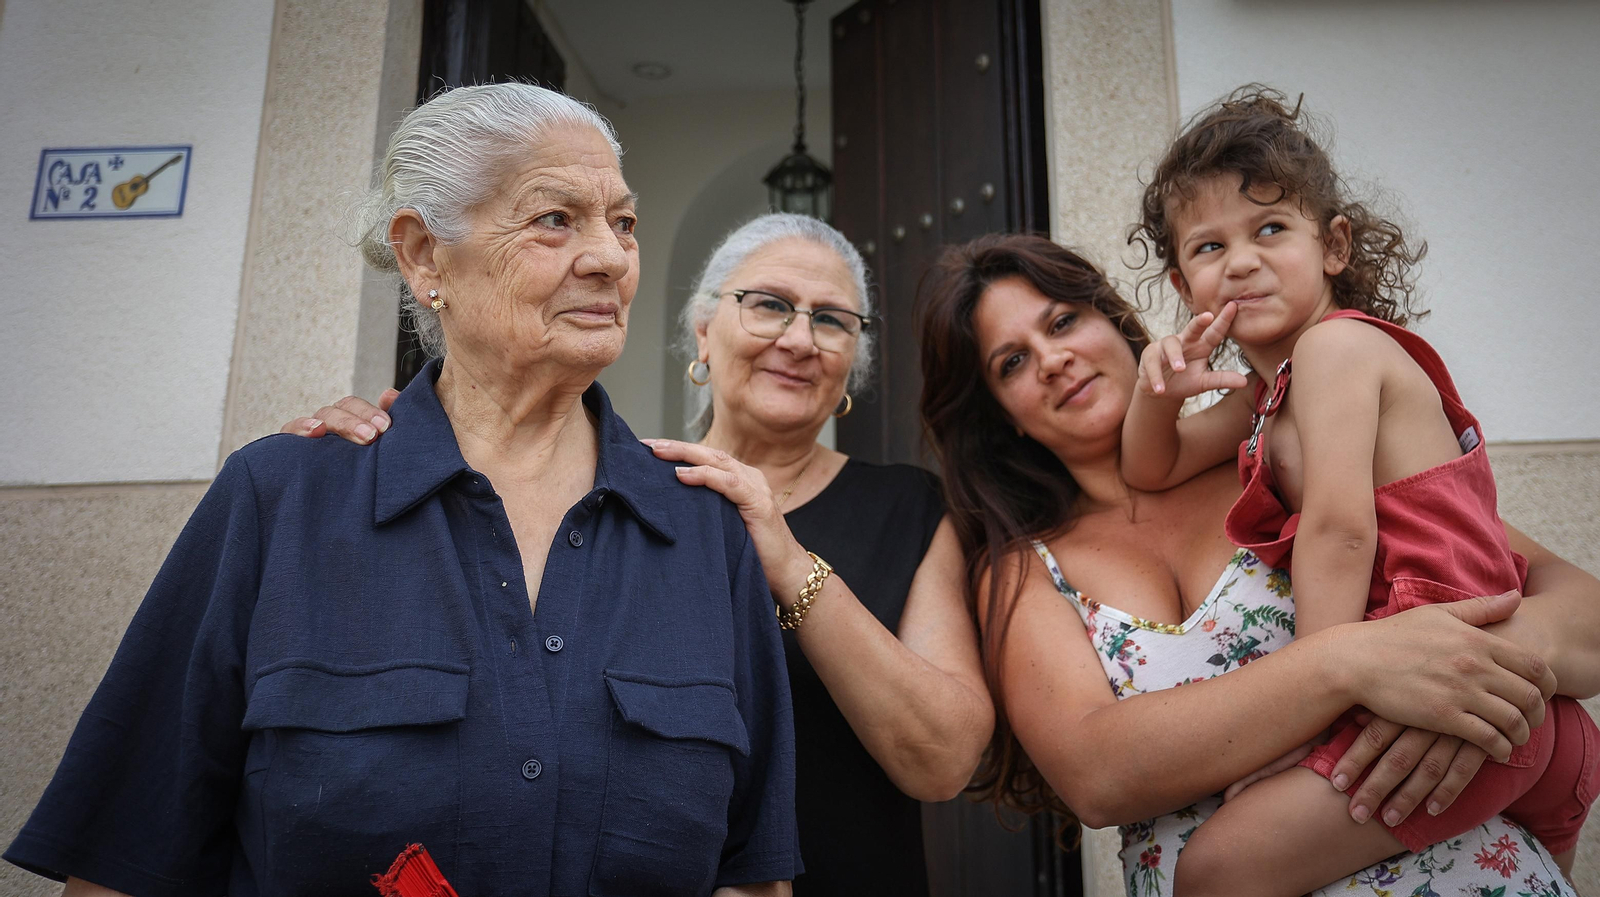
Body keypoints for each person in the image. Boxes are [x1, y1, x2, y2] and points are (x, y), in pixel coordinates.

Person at [4, 83, 796, 897]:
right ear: (423, 256)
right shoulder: (281, 500)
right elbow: (125, 867)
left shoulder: (703, 527)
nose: (610, 256)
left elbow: (754, 877)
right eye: (554, 219)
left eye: (622, 222)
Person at [286, 213, 994, 897]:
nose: (800, 338)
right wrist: (366, 462)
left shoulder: (911, 507)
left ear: (854, 362)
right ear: (704, 331)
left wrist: (786, 558)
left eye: (832, 319)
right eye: (770, 305)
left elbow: (943, 760)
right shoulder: (615, 497)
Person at [916, 232, 1600, 897]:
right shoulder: (1024, 568)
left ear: (1113, 319)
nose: (1053, 358)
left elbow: (1572, 608)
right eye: (1011, 361)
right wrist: (1349, 662)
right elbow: (1097, 773)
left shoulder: (1271, 453)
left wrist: (1483, 663)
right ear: (1001, 414)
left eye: (1063, 320)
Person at [1118, 87, 1599, 895]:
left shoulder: (1339, 351)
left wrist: (1301, 713)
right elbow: (1151, 468)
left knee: (1217, 868)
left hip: (1455, 689)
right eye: (1209, 247)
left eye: (1270, 228)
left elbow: (1341, 532)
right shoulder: (1261, 397)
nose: (1240, 260)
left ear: (1334, 245)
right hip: (1478, 698)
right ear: (1181, 281)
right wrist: (1155, 390)